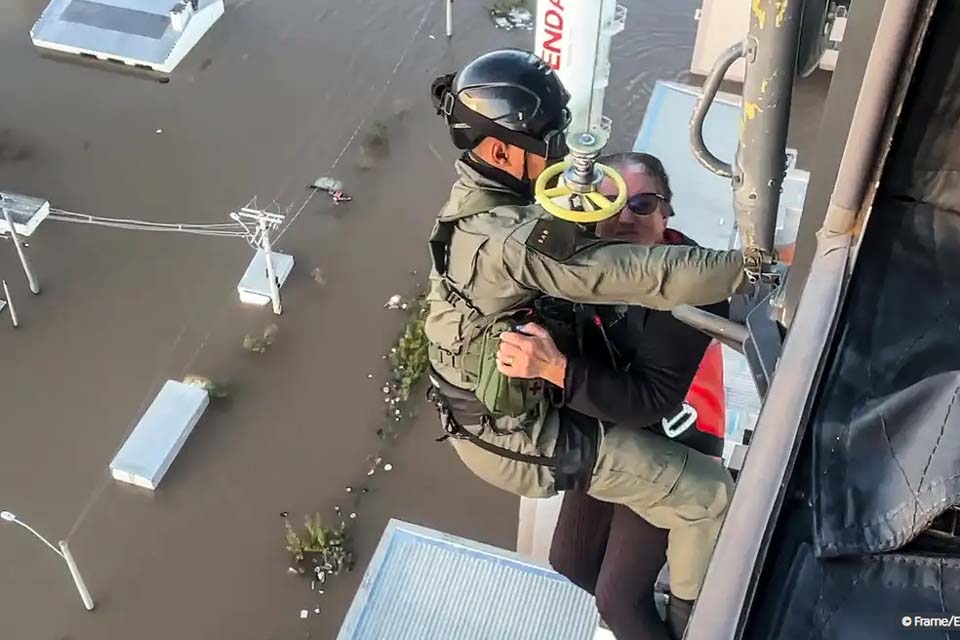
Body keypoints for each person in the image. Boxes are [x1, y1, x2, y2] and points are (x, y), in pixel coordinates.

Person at [424, 49, 744, 617]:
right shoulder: (514, 241)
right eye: (548, 140)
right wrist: (765, 262)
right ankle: (704, 626)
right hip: (520, 433)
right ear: (499, 150)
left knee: (595, 575)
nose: (559, 152)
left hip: (511, 411)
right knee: (710, 498)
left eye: (643, 204)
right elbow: (646, 275)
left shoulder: (474, 207)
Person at [514, 152, 727, 640]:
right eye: (608, 203)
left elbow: (649, 399)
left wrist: (554, 367)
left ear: (666, 213)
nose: (624, 217)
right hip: (608, 421)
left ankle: (647, 618)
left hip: (674, 438)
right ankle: (643, 618)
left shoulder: (692, 285)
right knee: (569, 559)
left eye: (642, 204)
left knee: (617, 599)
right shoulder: (587, 265)